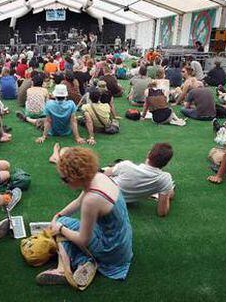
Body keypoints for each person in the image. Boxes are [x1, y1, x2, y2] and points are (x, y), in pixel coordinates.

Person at [36, 147, 132, 287]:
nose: (63, 182)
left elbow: (83, 239)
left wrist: (60, 228)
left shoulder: (92, 199)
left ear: (75, 176)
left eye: (64, 178)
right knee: (63, 223)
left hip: (111, 250)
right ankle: (82, 262)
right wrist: (58, 215)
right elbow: (77, 202)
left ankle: (64, 269)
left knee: (63, 229)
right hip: (121, 242)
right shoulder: (99, 176)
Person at [104, 143, 175, 217]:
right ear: (167, 163)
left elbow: (104, 174)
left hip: (106, 194)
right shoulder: (165, 179)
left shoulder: (126, 165)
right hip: (120, 199)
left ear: (149, 154)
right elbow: (162, 212)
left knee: (107, 170)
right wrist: (167, 191)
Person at [17, 84, 85, 144]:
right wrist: (77, 137)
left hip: (52, 131)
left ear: (55, 95)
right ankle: (27, 119)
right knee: (73, 118)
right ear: (66, 95)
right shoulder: (71, 104)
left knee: (41, 121)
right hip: (66, 131)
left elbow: (48, 122)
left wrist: (44, 136)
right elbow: (73, 121)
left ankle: (27, 119)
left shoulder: (49, 104)